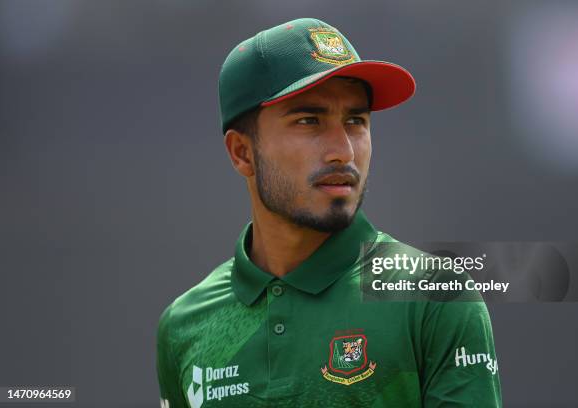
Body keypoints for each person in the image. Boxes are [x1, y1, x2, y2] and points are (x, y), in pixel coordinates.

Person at [156, 17, 502, 407]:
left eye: (356, 121)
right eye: (309, 121)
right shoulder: (184, 327)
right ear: (242, 152)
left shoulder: (435, 299)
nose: (344, 150)